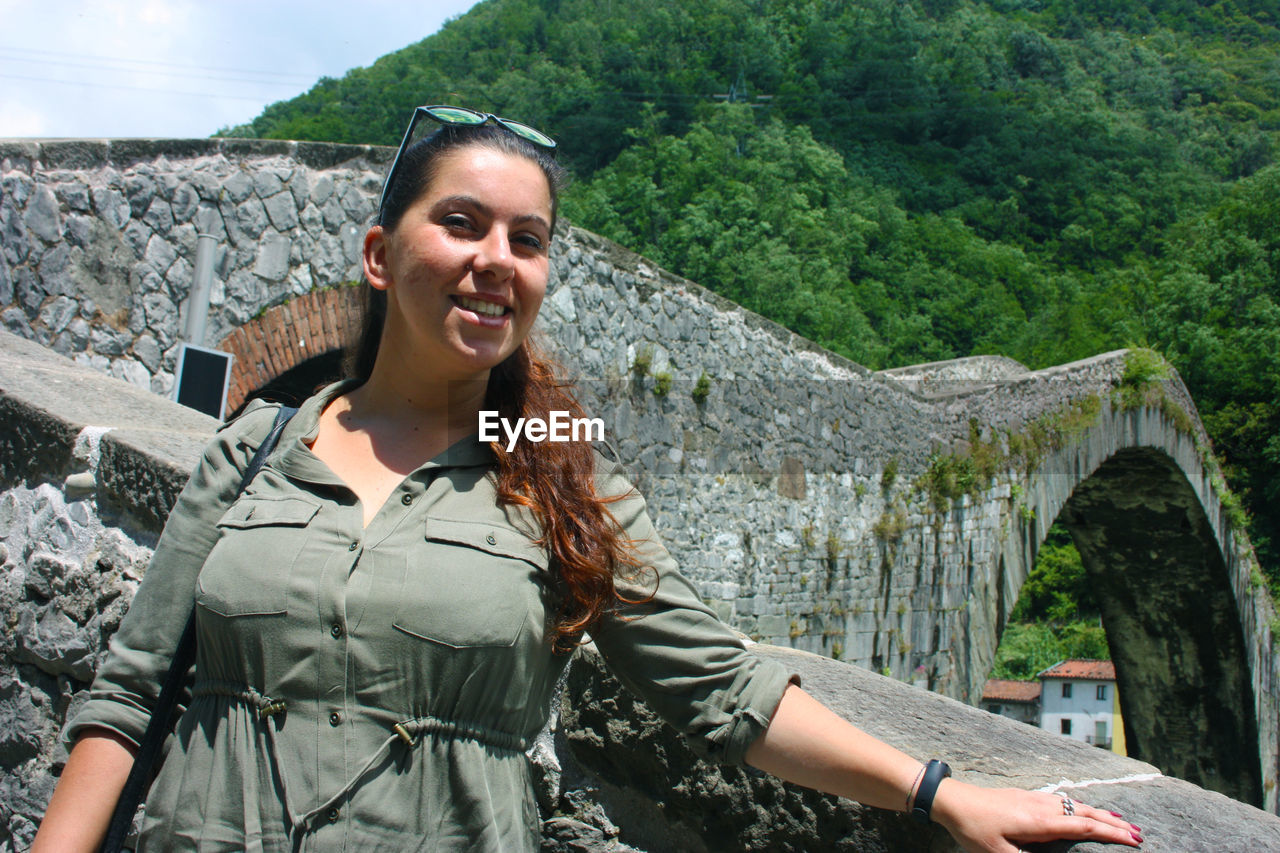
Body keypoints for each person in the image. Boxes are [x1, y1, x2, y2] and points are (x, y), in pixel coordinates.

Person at [33, 106, 1143, 852]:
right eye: (460, 223)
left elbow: (722, 688)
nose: (493, 260)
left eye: (527, 238)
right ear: (380, 255)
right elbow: (126, 698)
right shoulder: (258, 447)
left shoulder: (562, 483)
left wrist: (941, 789)